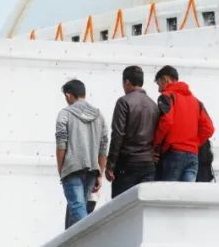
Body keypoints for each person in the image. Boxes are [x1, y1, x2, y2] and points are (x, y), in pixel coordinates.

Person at [55, 79, 108, 229]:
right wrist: (100, 173)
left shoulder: (65, 114)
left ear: (68, 95)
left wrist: (61, 169)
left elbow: (61, 145)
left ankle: (91, 237)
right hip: (92, 170)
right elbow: (103, 147)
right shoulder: (99, 115)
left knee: (78, 210)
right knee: (79, 209)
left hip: (72, 168)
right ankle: (73, 244)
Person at [105, 65, 160, 199]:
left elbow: (118, 135)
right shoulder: (153, 105)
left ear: (127, 82)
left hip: (127, 163)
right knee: (144, 204)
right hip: (148, 163)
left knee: (122, 206)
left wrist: (110, 165)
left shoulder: (123, 102)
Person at [153, 65, 214, 182]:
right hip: (193, 155)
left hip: (173, 154)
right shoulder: (197, 102)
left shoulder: (167, 97)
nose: (159, 90)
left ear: (166, 79)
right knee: (186, 192)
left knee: (169, 192)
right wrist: (194, 143)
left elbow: (167, 121)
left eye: (159, 84)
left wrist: (156, 145)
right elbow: (209, 129)